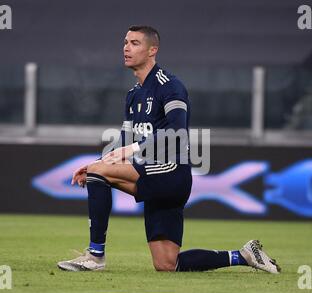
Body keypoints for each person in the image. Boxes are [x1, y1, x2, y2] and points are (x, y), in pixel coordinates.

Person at [57, 26, 281, 274]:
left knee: (99, 174)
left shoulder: (170, 86)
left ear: (152, 50)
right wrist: (97, 163)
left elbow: (177, 133)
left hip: (171, 172)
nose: (126, 48)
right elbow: (122, 142)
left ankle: (95, 255)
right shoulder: (133, 95)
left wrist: (119, 156)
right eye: (125, 42)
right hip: (152, 176)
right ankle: (244, 255)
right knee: (167, 264)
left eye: (134, 43)